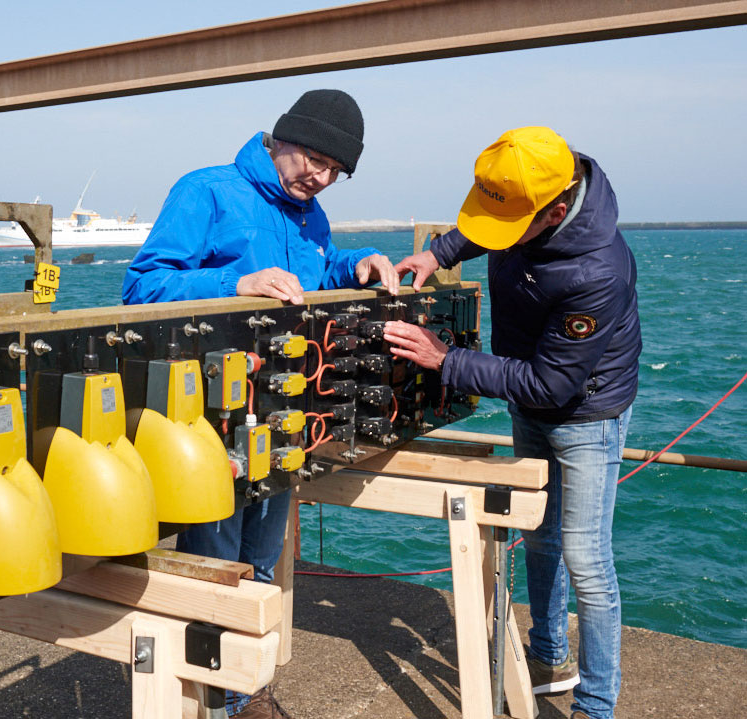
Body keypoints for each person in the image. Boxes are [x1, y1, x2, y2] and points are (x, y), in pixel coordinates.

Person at [123, 89, 398, 719]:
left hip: (280, 413)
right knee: (215, 563)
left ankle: (247, 691)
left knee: (263, 562)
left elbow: (316, 274)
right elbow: (141, 287)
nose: (321, 179)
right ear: (285, 138)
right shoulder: (206, 191)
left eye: (335, 172)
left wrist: (355, 266)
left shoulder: (311, 215)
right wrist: (234, 283)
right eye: (314, 162)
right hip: (208, 419)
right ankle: (214, 701)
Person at [384, 126, 640, 719]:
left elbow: (553, 385)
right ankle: (549, 657)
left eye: (511, 230)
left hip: (586, 413)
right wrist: (438, 252)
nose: (498, 239)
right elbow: (484, 226)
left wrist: (446, 360)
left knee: (586, 558)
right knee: (537, 534)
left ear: (553, 212)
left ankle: (596, 706)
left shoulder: (599, 270)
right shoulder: (528, 192)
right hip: (527, 392)